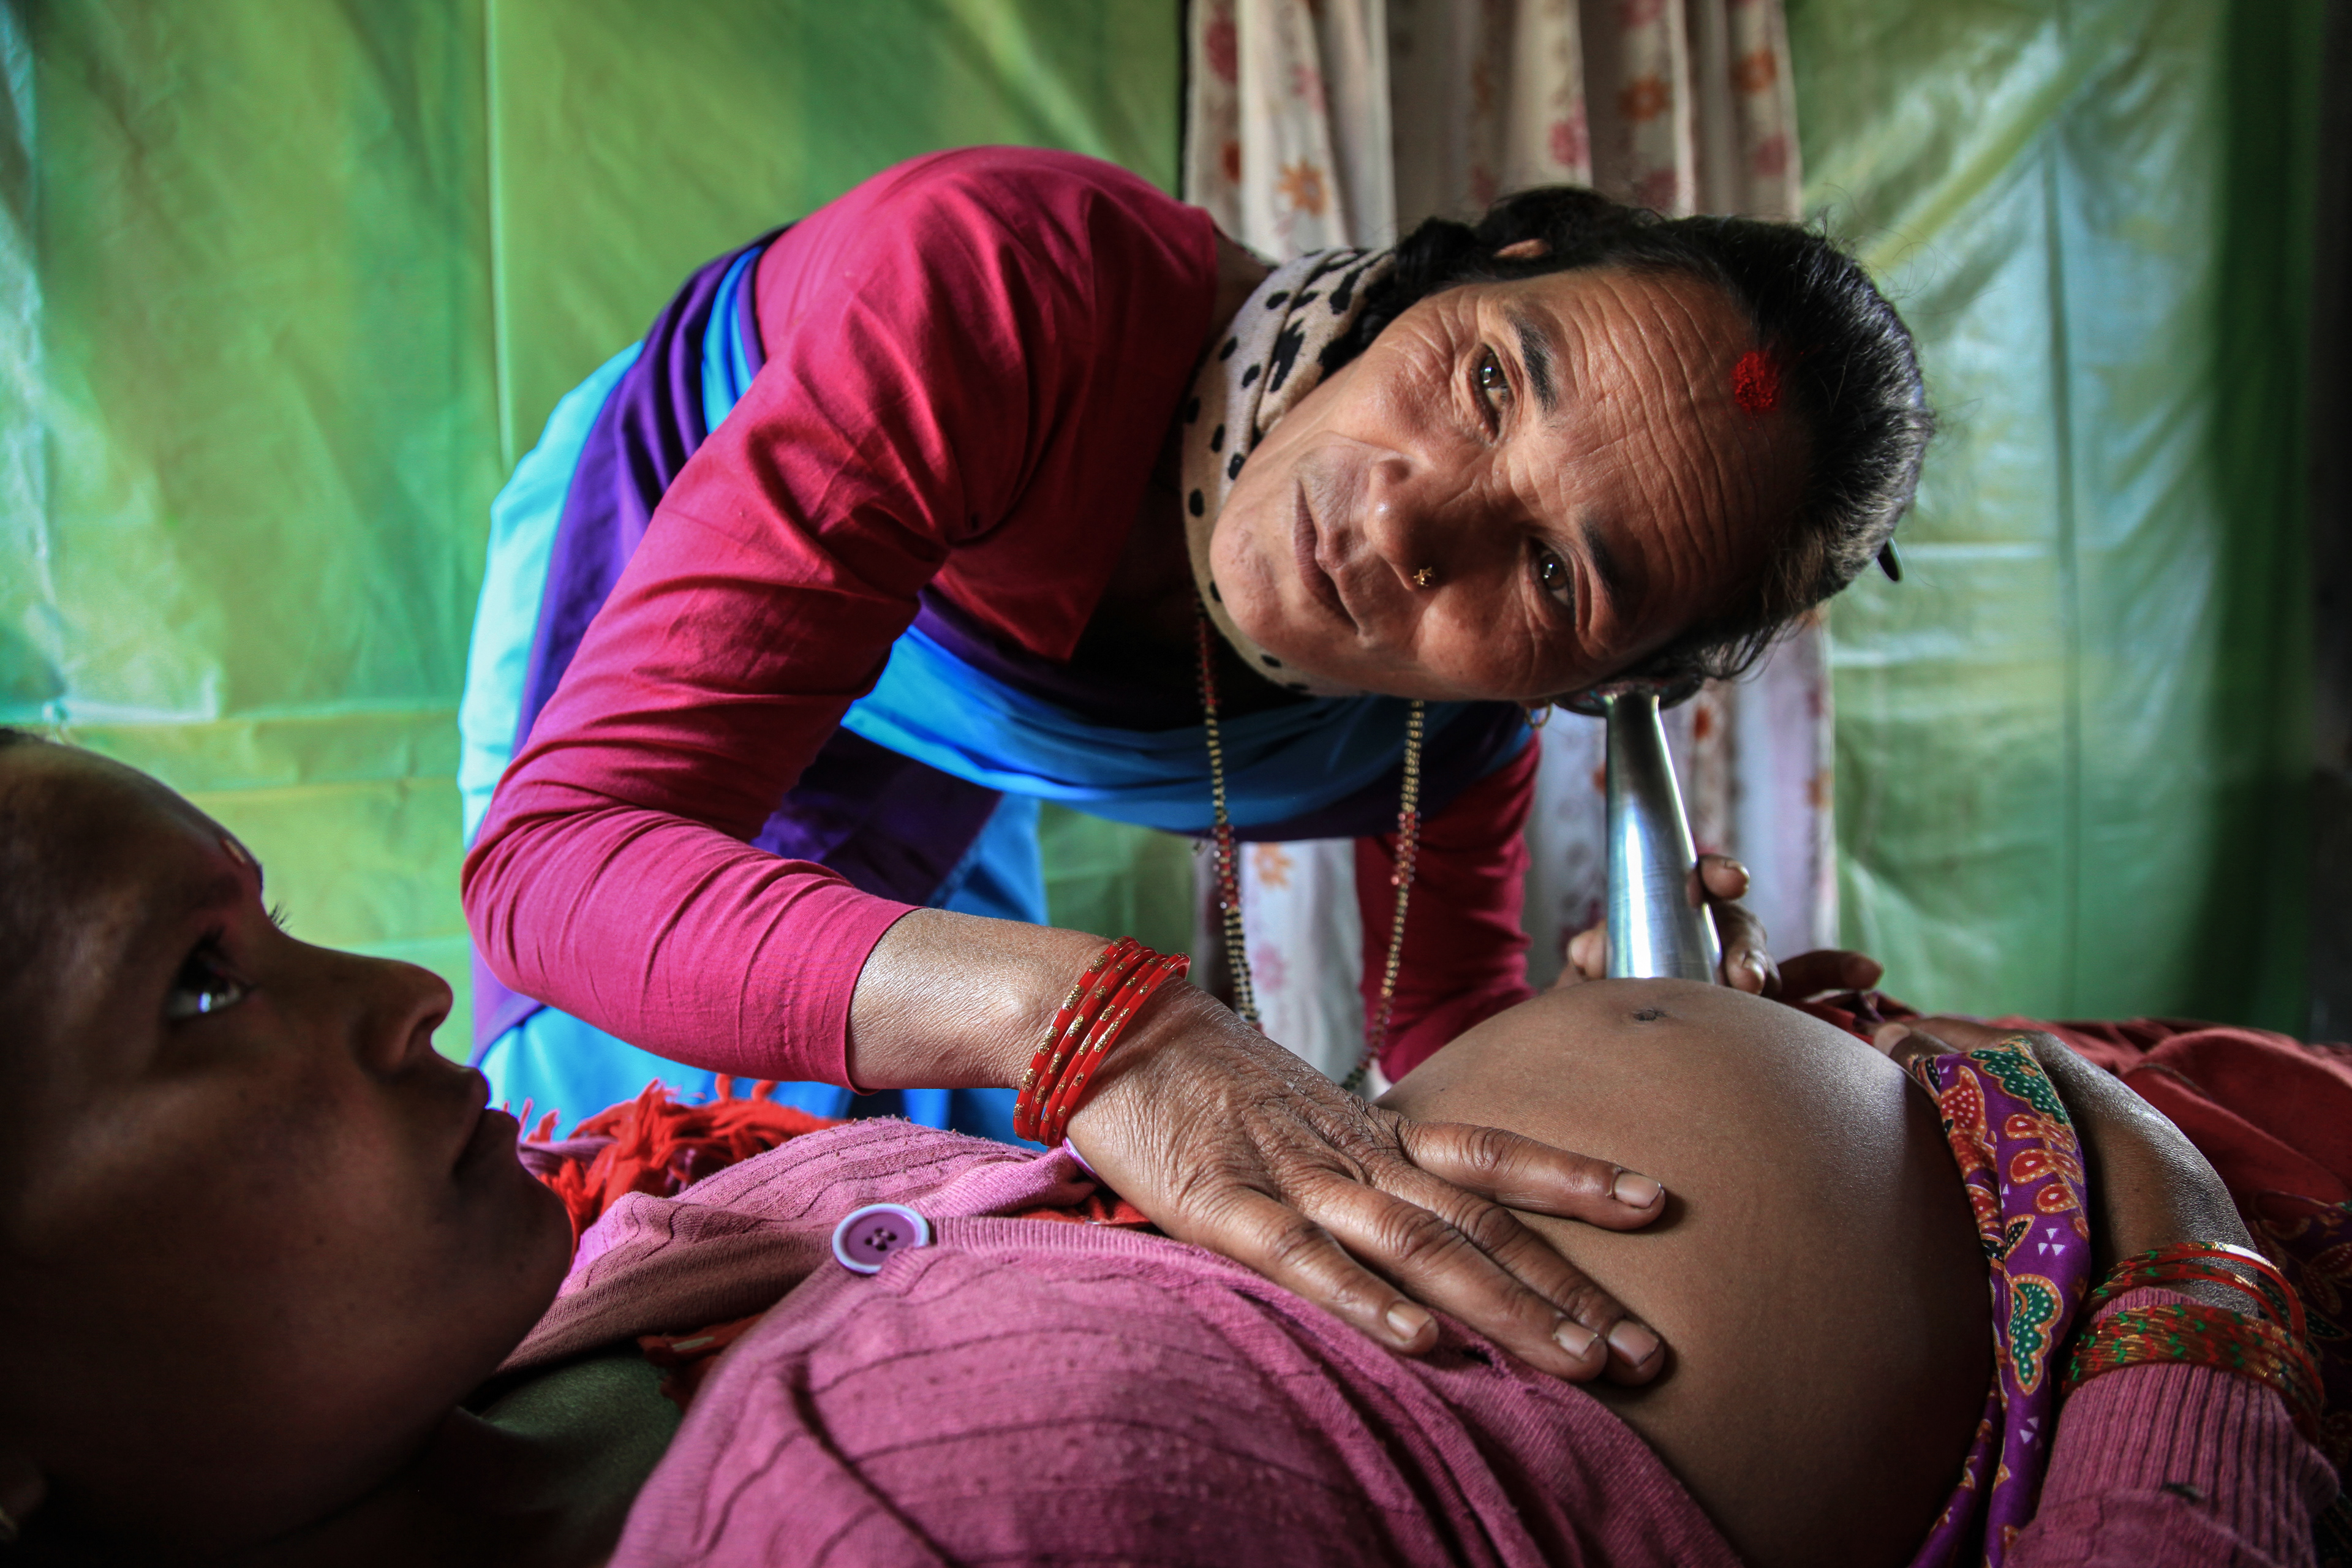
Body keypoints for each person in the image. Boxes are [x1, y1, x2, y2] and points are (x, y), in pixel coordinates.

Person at [2, 735, 2332, 1565]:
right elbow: (565, 857)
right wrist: (2178, 1320)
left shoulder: (603, 1273)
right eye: (195, 987)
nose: (398, 991)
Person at [459, 145, 1918, 1373]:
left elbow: (1447, 1048)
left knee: (953, 1198)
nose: (1413, 521)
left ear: (1604, 688)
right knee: (639, 1169)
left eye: (1553, 576)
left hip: (956, 731)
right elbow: (561, 861)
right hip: (683, 577)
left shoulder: (1456, 740)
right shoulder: (1002, 284)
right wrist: (1103, 1024)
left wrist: (1622, 1043)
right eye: (1487, 379)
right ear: (1495, 263)